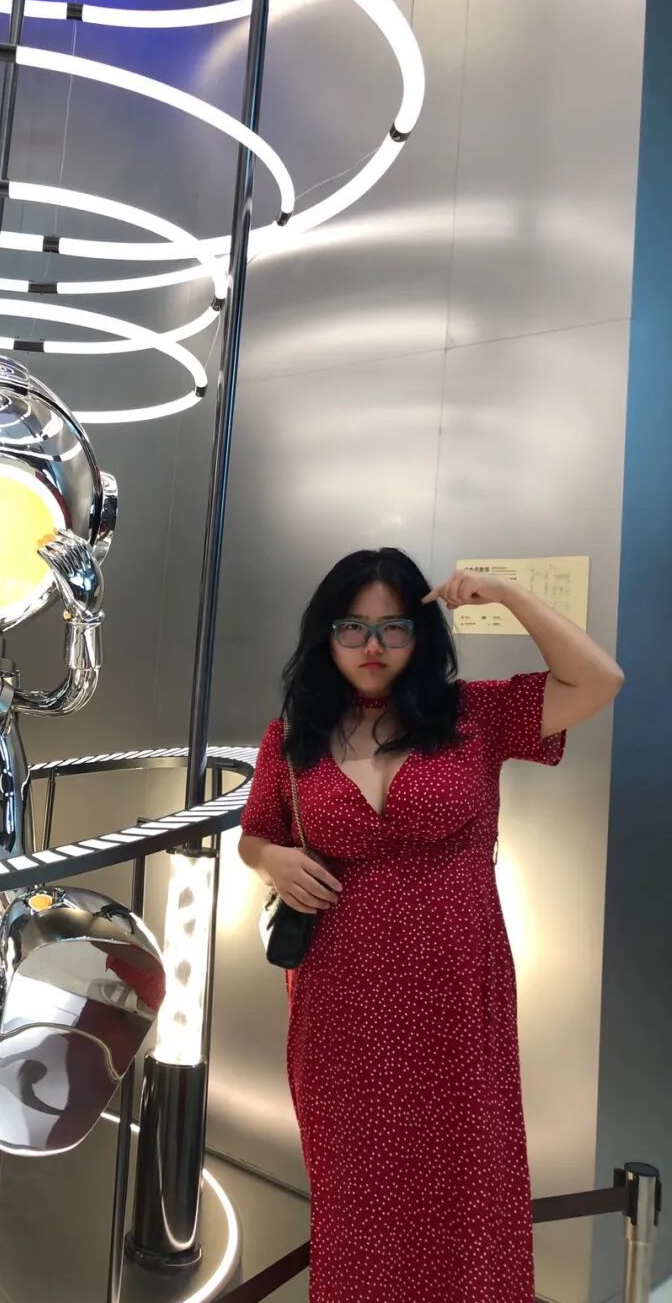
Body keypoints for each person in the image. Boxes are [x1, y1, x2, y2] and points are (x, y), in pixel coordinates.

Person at [238, 548, 624, 1303]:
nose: (373, 646)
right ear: (325, 634)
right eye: (352, 627)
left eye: (394, 627)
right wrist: (271, 861)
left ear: (423, 634)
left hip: (455, 999)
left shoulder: (472, 715)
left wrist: (506, 594)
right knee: (356, 1195)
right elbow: (256, 834)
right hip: (341, 1007)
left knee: (468, 1186)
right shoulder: (291, 737)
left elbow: (598, 680)